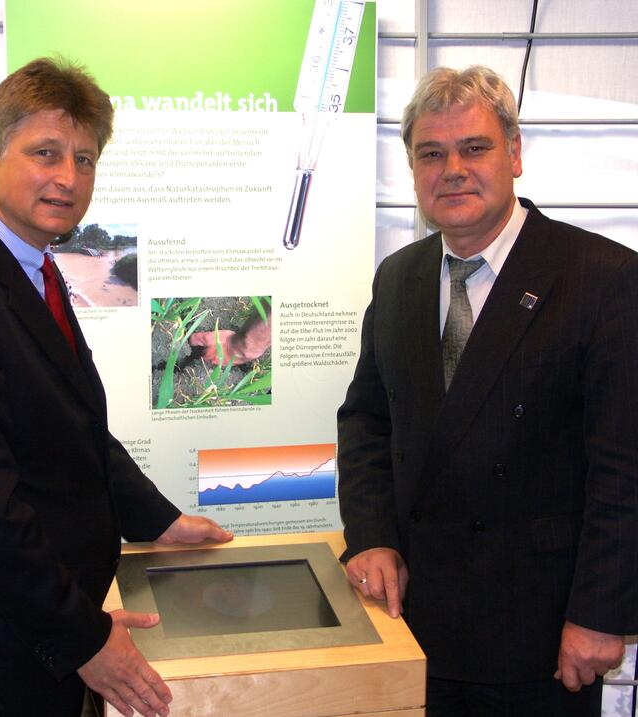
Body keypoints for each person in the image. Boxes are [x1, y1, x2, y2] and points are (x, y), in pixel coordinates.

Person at [0, 57, 232, 717]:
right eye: (45, 153)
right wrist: (83, 637)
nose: (68, 178)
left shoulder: (30, 270)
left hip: (36, 645)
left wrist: (160, 520)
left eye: (84, 159)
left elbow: (74, 431)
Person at [337, 65, 638, 716]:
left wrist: (600, 612)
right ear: (413, 169)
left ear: (515, 154)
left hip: (541, 634)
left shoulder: (602, 278)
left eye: (474, 147)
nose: (453, 169)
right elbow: (367, 423)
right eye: (431, 153)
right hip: (415, 620)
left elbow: (626, 468)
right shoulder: (399, 278)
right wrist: (371, 536)